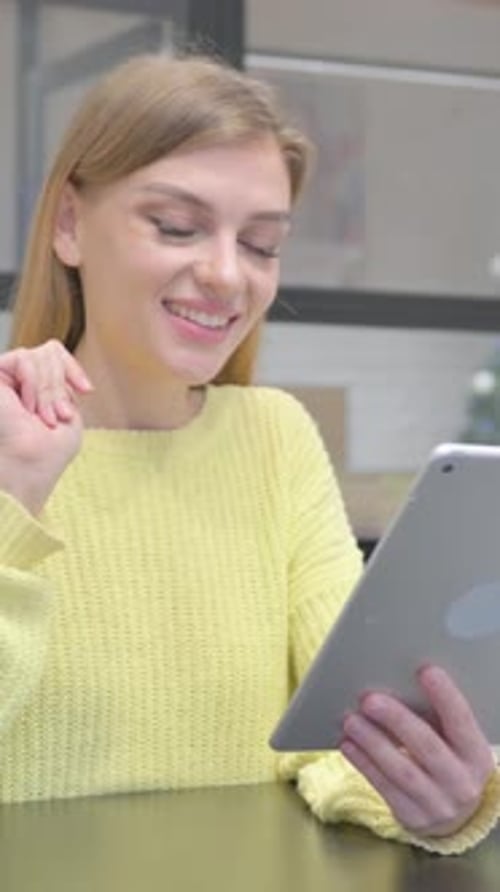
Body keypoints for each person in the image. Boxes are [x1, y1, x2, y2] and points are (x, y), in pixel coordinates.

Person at [1, 51, 499, 854]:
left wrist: (427, 798)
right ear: (67, 223)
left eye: (263, 244)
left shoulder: (274, 438)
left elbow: (334, 741)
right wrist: (14, 499)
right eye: (176, 227)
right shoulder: (4, 445)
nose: (228, 275)